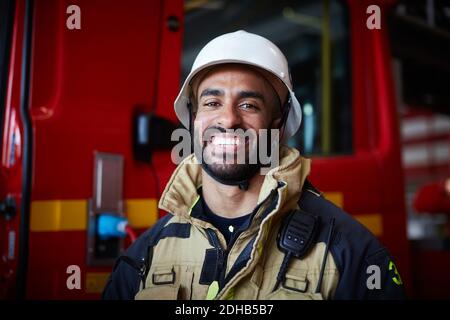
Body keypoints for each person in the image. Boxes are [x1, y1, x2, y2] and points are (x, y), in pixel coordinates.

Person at [102, 30, 405, 300]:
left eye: (249, 105)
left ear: (278, 124)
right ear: (193, 119)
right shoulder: (145, 256)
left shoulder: (351, 254)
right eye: (211, 103)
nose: (228, 119)